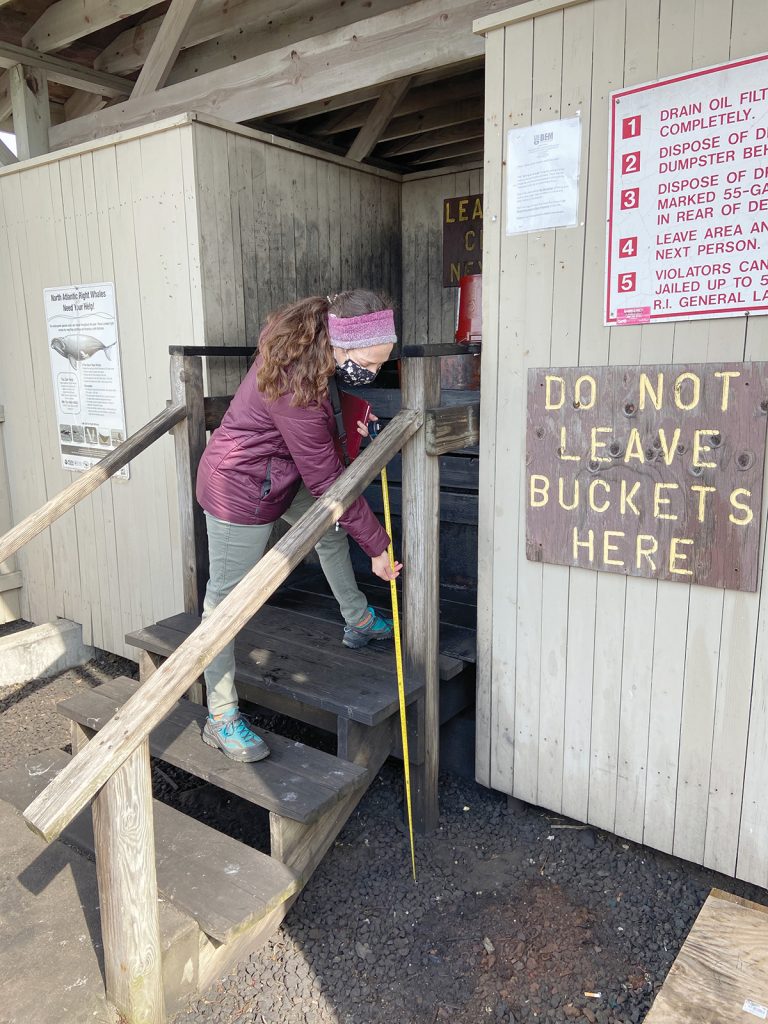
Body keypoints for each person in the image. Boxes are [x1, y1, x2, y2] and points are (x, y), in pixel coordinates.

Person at [195, 289, 402, 763]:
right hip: (241, 486)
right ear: (343, 346)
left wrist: (352, 427)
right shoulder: (295, 381)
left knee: (327, 534)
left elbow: (320, 437)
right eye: (369, 364)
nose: (371, 374)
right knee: (226, 602)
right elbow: (328, 479)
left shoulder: (314, 347)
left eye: (381, 363)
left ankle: (358, 621)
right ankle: (220, 716)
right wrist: (376, 545)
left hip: (281, 471)